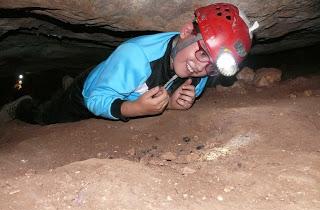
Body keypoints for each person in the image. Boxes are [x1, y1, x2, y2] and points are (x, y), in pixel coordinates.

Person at [0, 3, 258, 125]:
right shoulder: (135, 55)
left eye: (213, 67)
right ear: (186, 32)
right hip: (88, 92)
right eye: (202, 54)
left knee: (116, 80)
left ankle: (78, 78)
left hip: (119, 78)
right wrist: (135, 109)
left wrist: (173, 106)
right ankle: (23, 105)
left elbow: (176, 98)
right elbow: (95, 99)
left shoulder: (200, 75)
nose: (201, 68)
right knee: (46, 116)